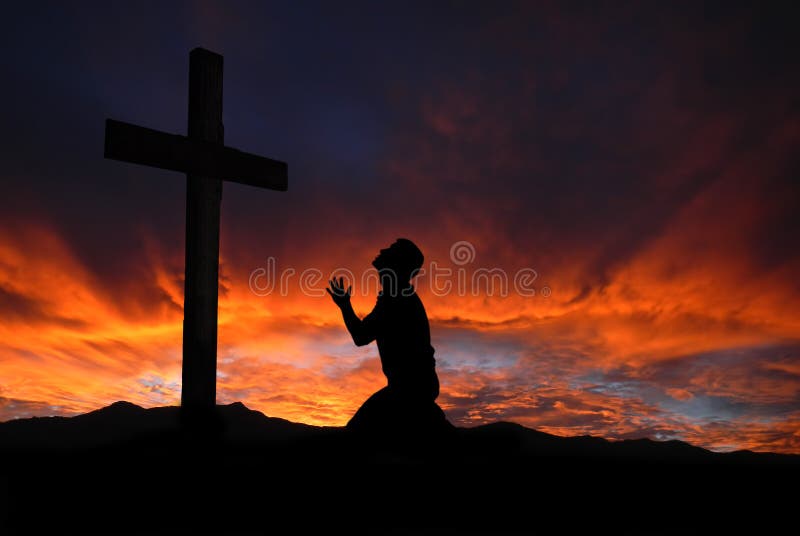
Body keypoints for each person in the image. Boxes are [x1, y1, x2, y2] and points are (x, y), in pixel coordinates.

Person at [326, 238, 448, 435]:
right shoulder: (397, 297)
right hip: (414, 387)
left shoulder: (396, 300)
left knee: (354, 435)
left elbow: (360, 336)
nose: (382, 250)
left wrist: (345, 306)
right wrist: (345, 305)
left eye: (390, 250)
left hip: (409, 390)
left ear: (398, 264)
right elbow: (362, 336)